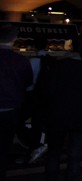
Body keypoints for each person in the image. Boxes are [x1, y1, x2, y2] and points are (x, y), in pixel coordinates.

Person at [44, 34, 82, 181]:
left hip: (59, 112)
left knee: (54, 152)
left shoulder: (61, 65)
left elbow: (50, 91)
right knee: (74, 155)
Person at [0, 24, 33, 181]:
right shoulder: (21, 60)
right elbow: (28, 84)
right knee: (4, 147)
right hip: (11, 108)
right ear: (14, 39)